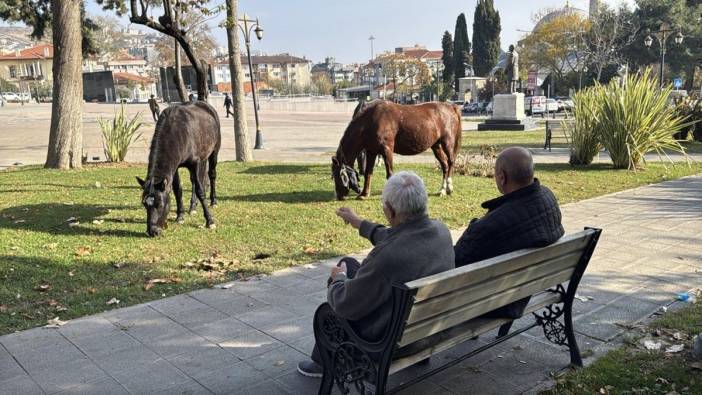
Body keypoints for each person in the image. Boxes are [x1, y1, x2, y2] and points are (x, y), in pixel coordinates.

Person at [297, 171, 455, 377]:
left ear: (390, 211)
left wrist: (338, 280)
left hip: (390, 342)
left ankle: (324, 363)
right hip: (430, 330)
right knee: (351, 264)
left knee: (336, 293)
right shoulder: (441, 231)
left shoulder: (387, 258)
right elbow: (395, 236)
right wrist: (358, 223)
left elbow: (344, 305)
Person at [454, 146, 564, 318]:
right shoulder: (547, 197)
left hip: (499, 301)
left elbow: (456, 261)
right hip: (526, 287)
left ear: (502, 178)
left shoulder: (490, 226)